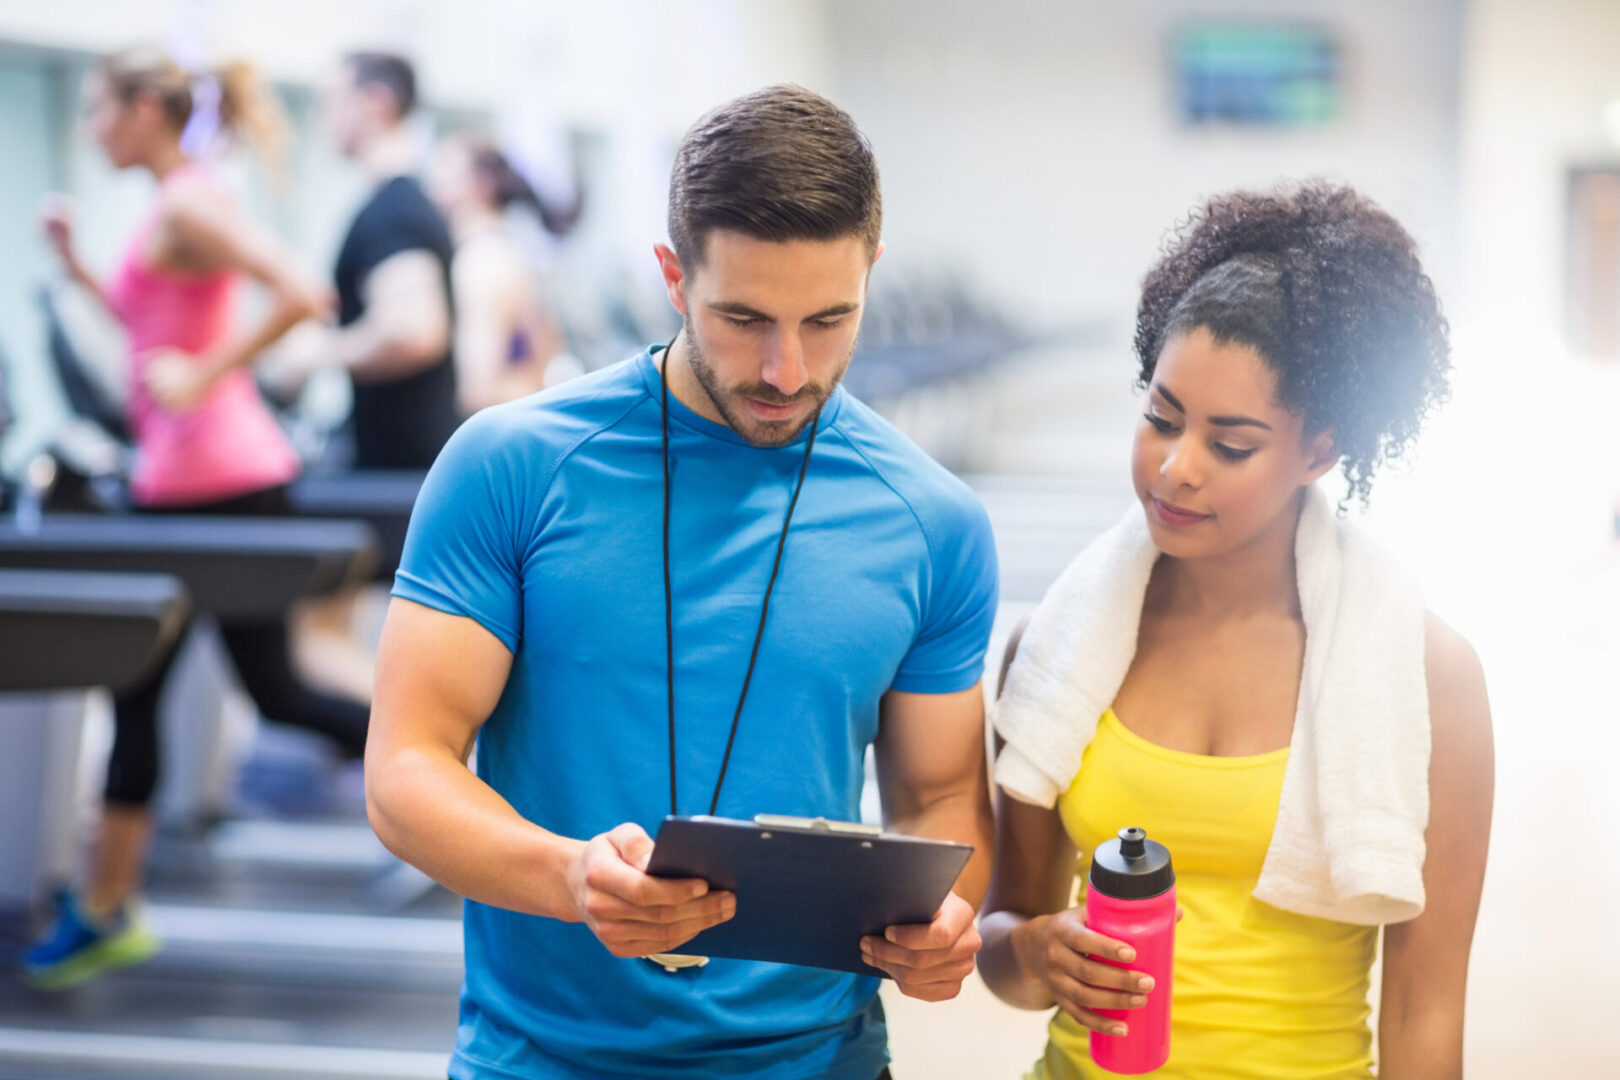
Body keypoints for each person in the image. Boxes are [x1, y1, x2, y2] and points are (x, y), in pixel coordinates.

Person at [365, 85, 999, 1079]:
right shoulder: (512, 467)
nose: (787, 370)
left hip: (819, 1057)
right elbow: (406, 772)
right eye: (744, 319)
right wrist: (570, 876)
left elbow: (945, 794)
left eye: (829, 320)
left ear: (872, 271)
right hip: (543, 1056)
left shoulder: (934, 521)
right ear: (672, 275)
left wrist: (944, 919)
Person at [978, 183, 1494, 1079]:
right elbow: (1005, 939)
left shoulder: (1425, 675)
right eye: (1161, 419)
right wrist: (1028, 955)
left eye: (1232, 443)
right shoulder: (1056, 647)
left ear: (1320, 452)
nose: (1175, 470)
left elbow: (1425, 1009)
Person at [21, 44, 372, 989]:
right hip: (181, 484)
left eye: (99, 110)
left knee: (276, 695)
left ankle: (464, 773)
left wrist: (209, 374)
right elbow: (156, 330)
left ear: (145, 112)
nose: (91, 127)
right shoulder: (173, 200)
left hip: (224, 482)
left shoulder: (185, 202)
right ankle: (105, 908)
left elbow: (306, 293)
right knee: (144, 686)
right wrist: (80, 271)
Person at [275, 51, 458, 470]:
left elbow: (413, 333)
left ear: (376, 102)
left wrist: (313, 354)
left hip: (403, 470)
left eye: (330, 101)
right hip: (401, 461)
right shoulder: (398, 203)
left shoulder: (395, 210)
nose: (322, 118)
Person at [428, 130, 581, 414]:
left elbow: (478, 391)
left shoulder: (481, 260)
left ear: (481, 185)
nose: (433, 182)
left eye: (445, 169)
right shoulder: (507, 251)